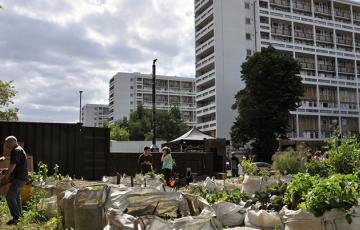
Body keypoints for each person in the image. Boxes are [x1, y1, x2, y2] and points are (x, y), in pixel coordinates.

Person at [2, 136, 28, 225]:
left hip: (19, 178)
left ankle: (16, 219)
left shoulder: (16, 150)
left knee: (10, 197)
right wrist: (7, 169)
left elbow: (13, 164)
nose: (6, 145)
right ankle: (20, 217)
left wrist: (7, 176)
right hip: (22, 177)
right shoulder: (19, 149)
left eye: (7, 143)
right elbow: (16, 165)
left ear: (12, 141)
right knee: (16, 197)